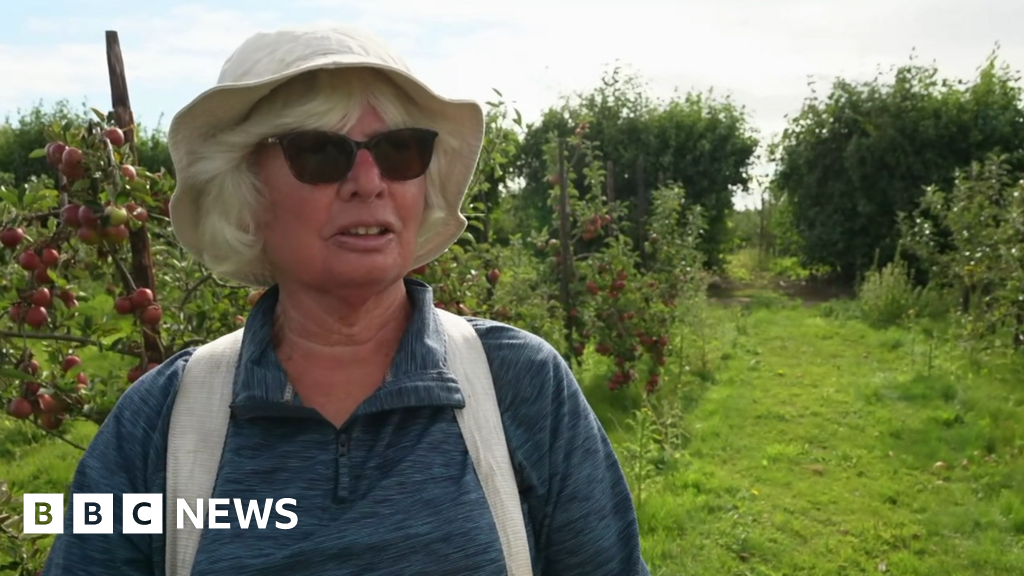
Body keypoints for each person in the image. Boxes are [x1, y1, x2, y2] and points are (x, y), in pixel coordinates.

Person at [41, 25, 650, 575]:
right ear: (247, 191)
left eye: (399, 151)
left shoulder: (520, 385)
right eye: (320, 153)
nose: (369, 181)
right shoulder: (161, 423)